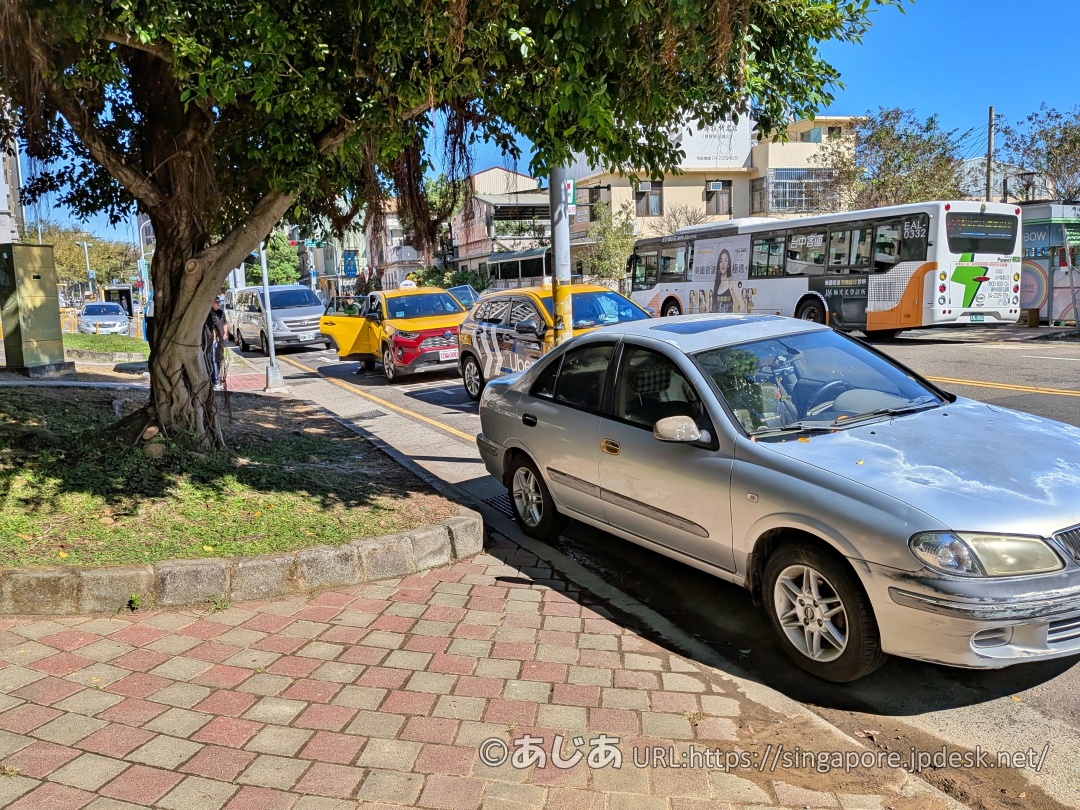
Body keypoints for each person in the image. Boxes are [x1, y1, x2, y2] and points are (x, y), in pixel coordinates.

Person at [711, 249, 745, 314]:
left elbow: (742, 306)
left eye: (726, 260)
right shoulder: (717, 284)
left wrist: (735, 320)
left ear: (728, 265)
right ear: (718, 264)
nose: (723, 263)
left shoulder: (731, 283)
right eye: (721, 261)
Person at [206, 296, 229, 388]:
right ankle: (215, 380)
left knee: (219, 359)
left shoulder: (221, 313)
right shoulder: (209, 314)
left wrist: (225, 334)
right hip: (212, 340)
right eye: (216, 302)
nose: (218, 304)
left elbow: (224, 323)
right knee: (213, 359)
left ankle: (217, 376)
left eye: (219, 302)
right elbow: (211, 328)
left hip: (220, 340)